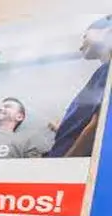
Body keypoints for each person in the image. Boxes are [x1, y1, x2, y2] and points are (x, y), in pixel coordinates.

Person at [47, 15, 112, 158]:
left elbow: (100, 123)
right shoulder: (102, 74)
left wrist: (68, 159)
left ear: (106, 31)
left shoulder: (107, 71)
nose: (80, 45)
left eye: (84, 36)